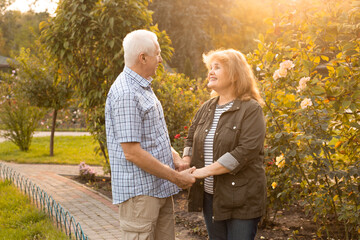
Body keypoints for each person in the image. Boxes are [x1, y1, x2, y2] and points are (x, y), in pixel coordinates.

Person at [105, 29, 195, 240]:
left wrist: (177, 160)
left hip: (159, 188)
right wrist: (176, 178)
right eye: (158, 53)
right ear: (143, 57)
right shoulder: (126, 93)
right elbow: (133, 153)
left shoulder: (143, 87)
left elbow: (155, 136)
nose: (161, 59)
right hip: (140, 195)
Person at [183, 49, 267, 240]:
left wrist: (204, 171)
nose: (210, 72)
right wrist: (185, 161)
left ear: (235, 75)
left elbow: (245, 152)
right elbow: (190, 139)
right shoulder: (206, 108)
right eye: (210, 67)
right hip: (211, 197)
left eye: (217, 67)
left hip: (242, 199)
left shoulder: (251, 109)